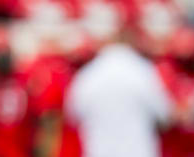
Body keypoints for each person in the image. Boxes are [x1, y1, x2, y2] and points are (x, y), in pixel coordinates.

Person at [65, 23, 173, 157]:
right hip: (138, 151)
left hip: (99, 151)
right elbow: (164, 114)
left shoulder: (89, 73)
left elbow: (73, 113)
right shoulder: (142, 71)